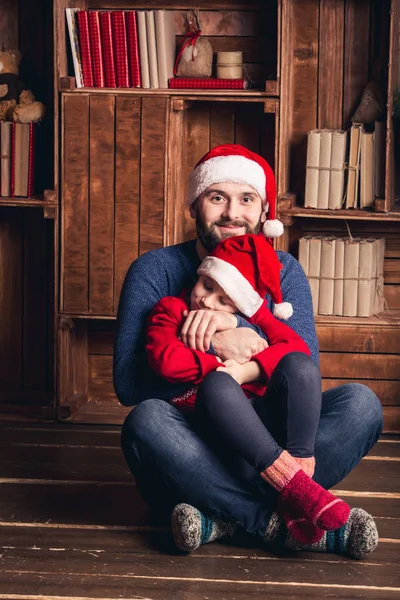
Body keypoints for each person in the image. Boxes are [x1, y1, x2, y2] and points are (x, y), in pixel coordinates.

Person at [114, 144, 383, 560]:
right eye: (216, 197)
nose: (231, 214)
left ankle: (219, 516)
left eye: (246, 199)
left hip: (268, 436)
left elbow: (302, 367)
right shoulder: (153, 271)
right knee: (146, 420)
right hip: (194, 441)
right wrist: (217, 346)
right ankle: (279, 521)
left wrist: (237, 329)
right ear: (194, 206)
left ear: (263, 213)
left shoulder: (285, 271)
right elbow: (129, 384)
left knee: (361, 405)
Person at [146, 232, 343, 545]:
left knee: (320, 379)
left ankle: (294, 479)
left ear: (242, 306)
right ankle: (290, 498)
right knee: (217, 385)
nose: (208, 301)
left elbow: (299, 352)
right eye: (207, 286)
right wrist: (220, 359)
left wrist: (245, 350)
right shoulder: (173, 309)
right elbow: (166, 361)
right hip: (209, 435)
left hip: (261, 433)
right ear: (200, 273)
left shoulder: (252, 318)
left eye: (224, 300)